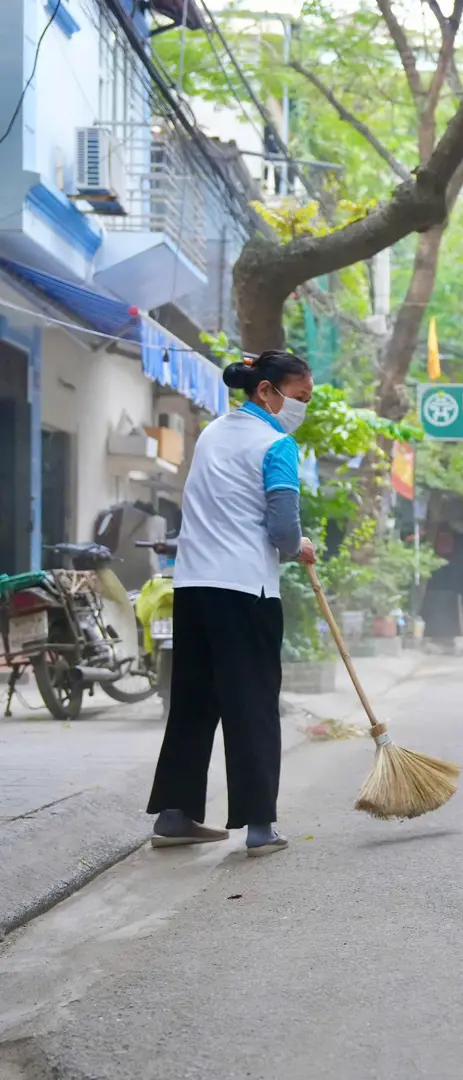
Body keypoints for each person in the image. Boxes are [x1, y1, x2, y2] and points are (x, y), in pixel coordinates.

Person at [147, 350, 316, 858]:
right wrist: (299, 546)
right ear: (266, 391)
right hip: (245, 591)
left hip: (194, 589)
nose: (300, 408)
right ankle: (260, 825)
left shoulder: (213, 434)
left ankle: (175, 816)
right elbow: (284, 531)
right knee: (254, 705)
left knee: (194, 702)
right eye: (299, 397)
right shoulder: (277, 446)